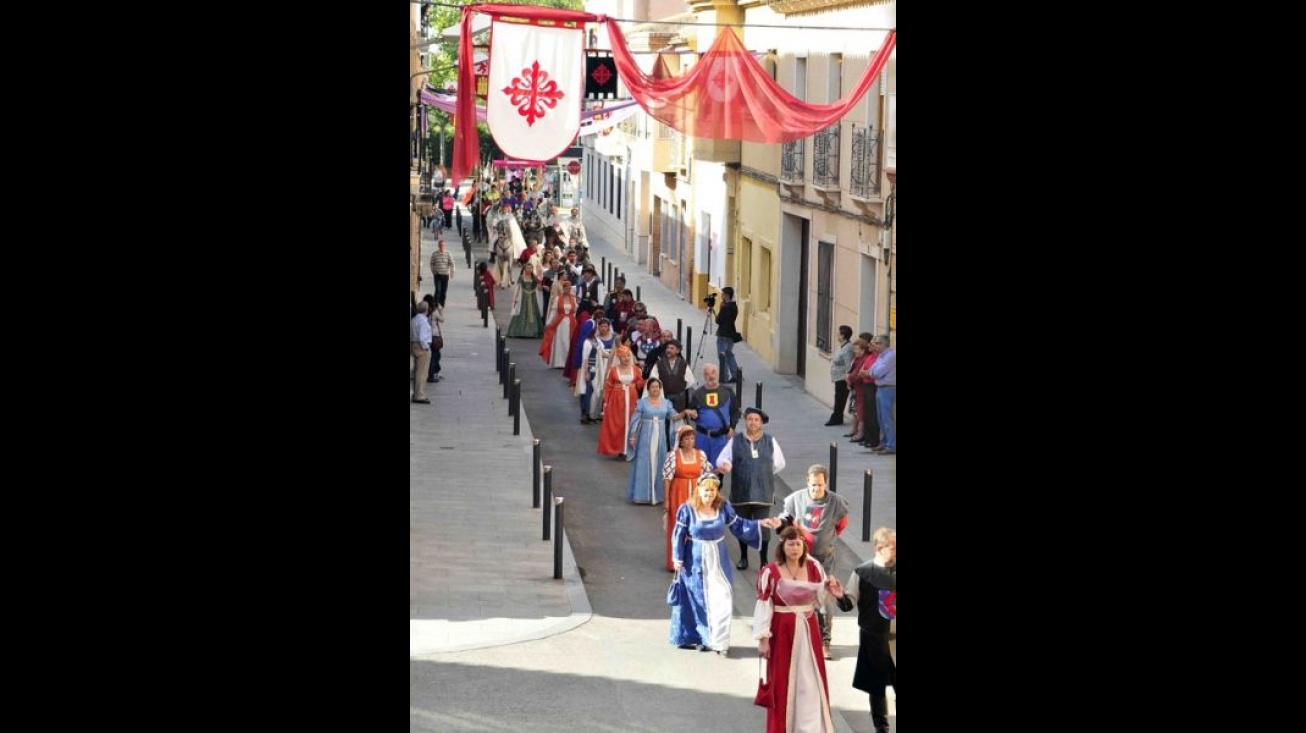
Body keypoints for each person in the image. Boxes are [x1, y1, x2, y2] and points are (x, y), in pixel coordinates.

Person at [671, 473, 782, 654]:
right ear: (698, 490)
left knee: (723, 598)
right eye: (706, 490)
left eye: (713, 490)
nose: (710, 493)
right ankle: (703, 637)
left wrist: (760, 523)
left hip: (718, 560)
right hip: (695, 560)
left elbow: (738, 525)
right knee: (698, 599)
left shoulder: (723, 507)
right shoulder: (687, 509)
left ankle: (719, 641)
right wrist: (678, 558)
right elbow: (678, 534)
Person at [754, 525, 841, 733]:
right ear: (783, 546)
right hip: (781, 631)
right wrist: (763, 638)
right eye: (791, 544)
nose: (795, 548)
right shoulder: (770, 571)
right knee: (782, 683)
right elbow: (765, 605)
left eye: (799, 544)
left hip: (808, 629)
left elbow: (819, 601)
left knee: (810, 681)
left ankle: (810, 728)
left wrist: (831, 591)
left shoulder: (814, 568)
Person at [776, 465, 849, 660]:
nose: (817, 488)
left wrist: (827, 539)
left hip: (825, 558)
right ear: (807, 481)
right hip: (801, 558)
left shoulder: (835, 502)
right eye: (813, 484)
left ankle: (825, 642)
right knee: (799, 596)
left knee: (824, 599)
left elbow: (841, 524)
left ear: (825, 483)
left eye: (820, 485)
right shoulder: (796, 499)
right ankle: (799, 639)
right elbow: (786, 520)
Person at [833, 528, 896, 733]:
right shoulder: (862, 572)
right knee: (875, 687)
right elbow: (848, 603)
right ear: (879, 548)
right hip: (873, 638)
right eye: (894, 547)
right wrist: (839, 595)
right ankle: (881, 728)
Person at [717, 406, 786, 571]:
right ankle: (743, 557)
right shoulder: (735, 441)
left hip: (763, 493)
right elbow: (722, 459)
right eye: (750, 419)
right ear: (745, 421)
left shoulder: (770, 441)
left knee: (764, 526)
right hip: (741, 491)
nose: (753, 423)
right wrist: (726, 464)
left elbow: (779, 464)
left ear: (761, 423)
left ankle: (763, 561)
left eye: (756, 420)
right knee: (744, 526)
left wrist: (762, 473)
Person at [626, 378, 689, 505]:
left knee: (659, 462)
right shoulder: (642, 403)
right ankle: (642, 495)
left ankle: (657, 495)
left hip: (660, 438)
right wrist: (632, 436)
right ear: (648, 389)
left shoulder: (666, 403)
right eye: (653, 387)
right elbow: (635, 420)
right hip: (645, 437)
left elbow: (674, 416)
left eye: (657, 387)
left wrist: (684, 413)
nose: (655, 389)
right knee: (645, 462)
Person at [662, 425, 712, 572]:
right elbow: (667, 478)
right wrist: (666, 499)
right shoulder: (673, 456)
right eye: (686, 439)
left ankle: (694, 561)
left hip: (696, 495)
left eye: (692, 438)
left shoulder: (700, 455)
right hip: (678, 493)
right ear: (681, 441)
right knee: (678, 527)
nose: (689, 441)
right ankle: (676, 561)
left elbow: (707, 474)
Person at [685, 364, 738, 471]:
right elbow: (692, 412)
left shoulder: (728, 392)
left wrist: (732, 427)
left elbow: (735, 412)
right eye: (707, 374)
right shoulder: (698, 394)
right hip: (702, 438)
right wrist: (693, 415)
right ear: (704, 376)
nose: (711, 376)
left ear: (717, 374)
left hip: (721, 438)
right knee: (701, 469)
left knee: (719, 469)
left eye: (713, 372)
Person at [597, 345, 644, 459]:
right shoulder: (613, 370)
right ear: (619, 358)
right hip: (617, 399)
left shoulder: (636, 370)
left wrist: (648, 381)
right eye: (623, 356)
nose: (626, 358)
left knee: (632, 422)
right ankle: (620, 449)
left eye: (628, 356)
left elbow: (639, 384)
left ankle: (630, 449)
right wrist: (606, 403)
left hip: (632, 398)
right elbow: (608, 387)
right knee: (618, 423)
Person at [647, 338, 696, 446]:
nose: (668, 350)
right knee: (663, 423)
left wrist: (677, 388)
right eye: (668, 348)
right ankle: (664, 446)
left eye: (672, 348)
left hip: (679, 399)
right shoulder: (659, 364)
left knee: (678, 424)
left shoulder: (683, 364)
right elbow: (653, 380)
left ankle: (676, 447)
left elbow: (690, 382)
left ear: (678, 351)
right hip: (663, 398)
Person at [577, 317, 616, 423]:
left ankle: (591, 414)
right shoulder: (587, 342)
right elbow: (585, 358)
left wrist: (613, 357)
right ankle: (585, 414)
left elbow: (601, 352)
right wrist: (586, 372)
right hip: (590, 369)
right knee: (588, 391)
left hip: (598, 369)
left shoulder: (596, 340)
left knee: (595, 391)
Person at [539, 278, 578, 368]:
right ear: (563, 288)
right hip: (560, 323)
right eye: (565, 288)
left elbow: (575, 311)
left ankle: (567, 362)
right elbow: (553, 311)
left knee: (569, 341)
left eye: (569, 288)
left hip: (570, 322)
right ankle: (559, 362)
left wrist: (575, 321)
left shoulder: (573, 299)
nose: (567, 290)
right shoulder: (558, 298)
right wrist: (548, 323)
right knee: (560, 341)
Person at [868, 335, 896, 455]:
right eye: (875, 343)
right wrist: (871, 372)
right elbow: (872, 369)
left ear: (886, 344)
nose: (876, 345)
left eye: (878, 343)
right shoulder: (881, 356)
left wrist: (871, 373)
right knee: (880, 417)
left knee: (887, 418)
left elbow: (878, 372)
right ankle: (884, 442)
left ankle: (891, 445)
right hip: (880, 388)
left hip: (888, 388)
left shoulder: (891, 356)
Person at [506, 259, 544, 338]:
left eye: (530, 268)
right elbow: (517, 288)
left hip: (532, 298)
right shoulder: (521, 277)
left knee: (532, 313)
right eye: (527, 268)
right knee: (521, 313)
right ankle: (518, 331)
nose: (529, 270)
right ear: (524, 269)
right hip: (523, 298)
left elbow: (539, 288)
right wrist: (515, 298)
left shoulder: (534, 278)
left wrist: (541, 282)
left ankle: (532, 332)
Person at [826, 325, 854, 426]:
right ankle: (838, 417)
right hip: (838, 377)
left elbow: (848, 365)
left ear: (843, 335)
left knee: (840, 399)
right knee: (838, 397)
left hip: (843, 378)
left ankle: (836, 418)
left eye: (838, 333)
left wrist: (848, 379)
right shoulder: (842, 346)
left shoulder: (848, 349)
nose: (836, 335)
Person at [715, 286, 741, 383]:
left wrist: (721, 309)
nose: (721, 296)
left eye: (722, 294)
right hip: (731, 333)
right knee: (729, 354)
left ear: (726, 295)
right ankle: (736, 375)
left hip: (723, 334)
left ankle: (724, 377)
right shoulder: (734, 306)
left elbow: (718, 320)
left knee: (722, 356)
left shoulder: (725, 308)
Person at [410, 301, 432, 404]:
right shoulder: (423, 321)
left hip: (414, 345)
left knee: (417, 371)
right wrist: (426, 347)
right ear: (426, 310)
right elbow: (422, 337)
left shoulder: (414, 319)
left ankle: (416, 393)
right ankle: (419, 395)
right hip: (421, 347)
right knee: (422, 373)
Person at [429, 238, 455, 309]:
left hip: (445, 275)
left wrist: (452, 272)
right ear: (438, 246)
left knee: (443, 291)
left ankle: (442, 304)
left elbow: (452, 263)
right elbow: (431, 263)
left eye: (443, 245)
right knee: (438, 290)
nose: (441, 246)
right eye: (440, 245)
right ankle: (435, 304)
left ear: (445, 246)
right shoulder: (434, 254)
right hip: (437, 275)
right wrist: (434, 271)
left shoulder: (448, 253)